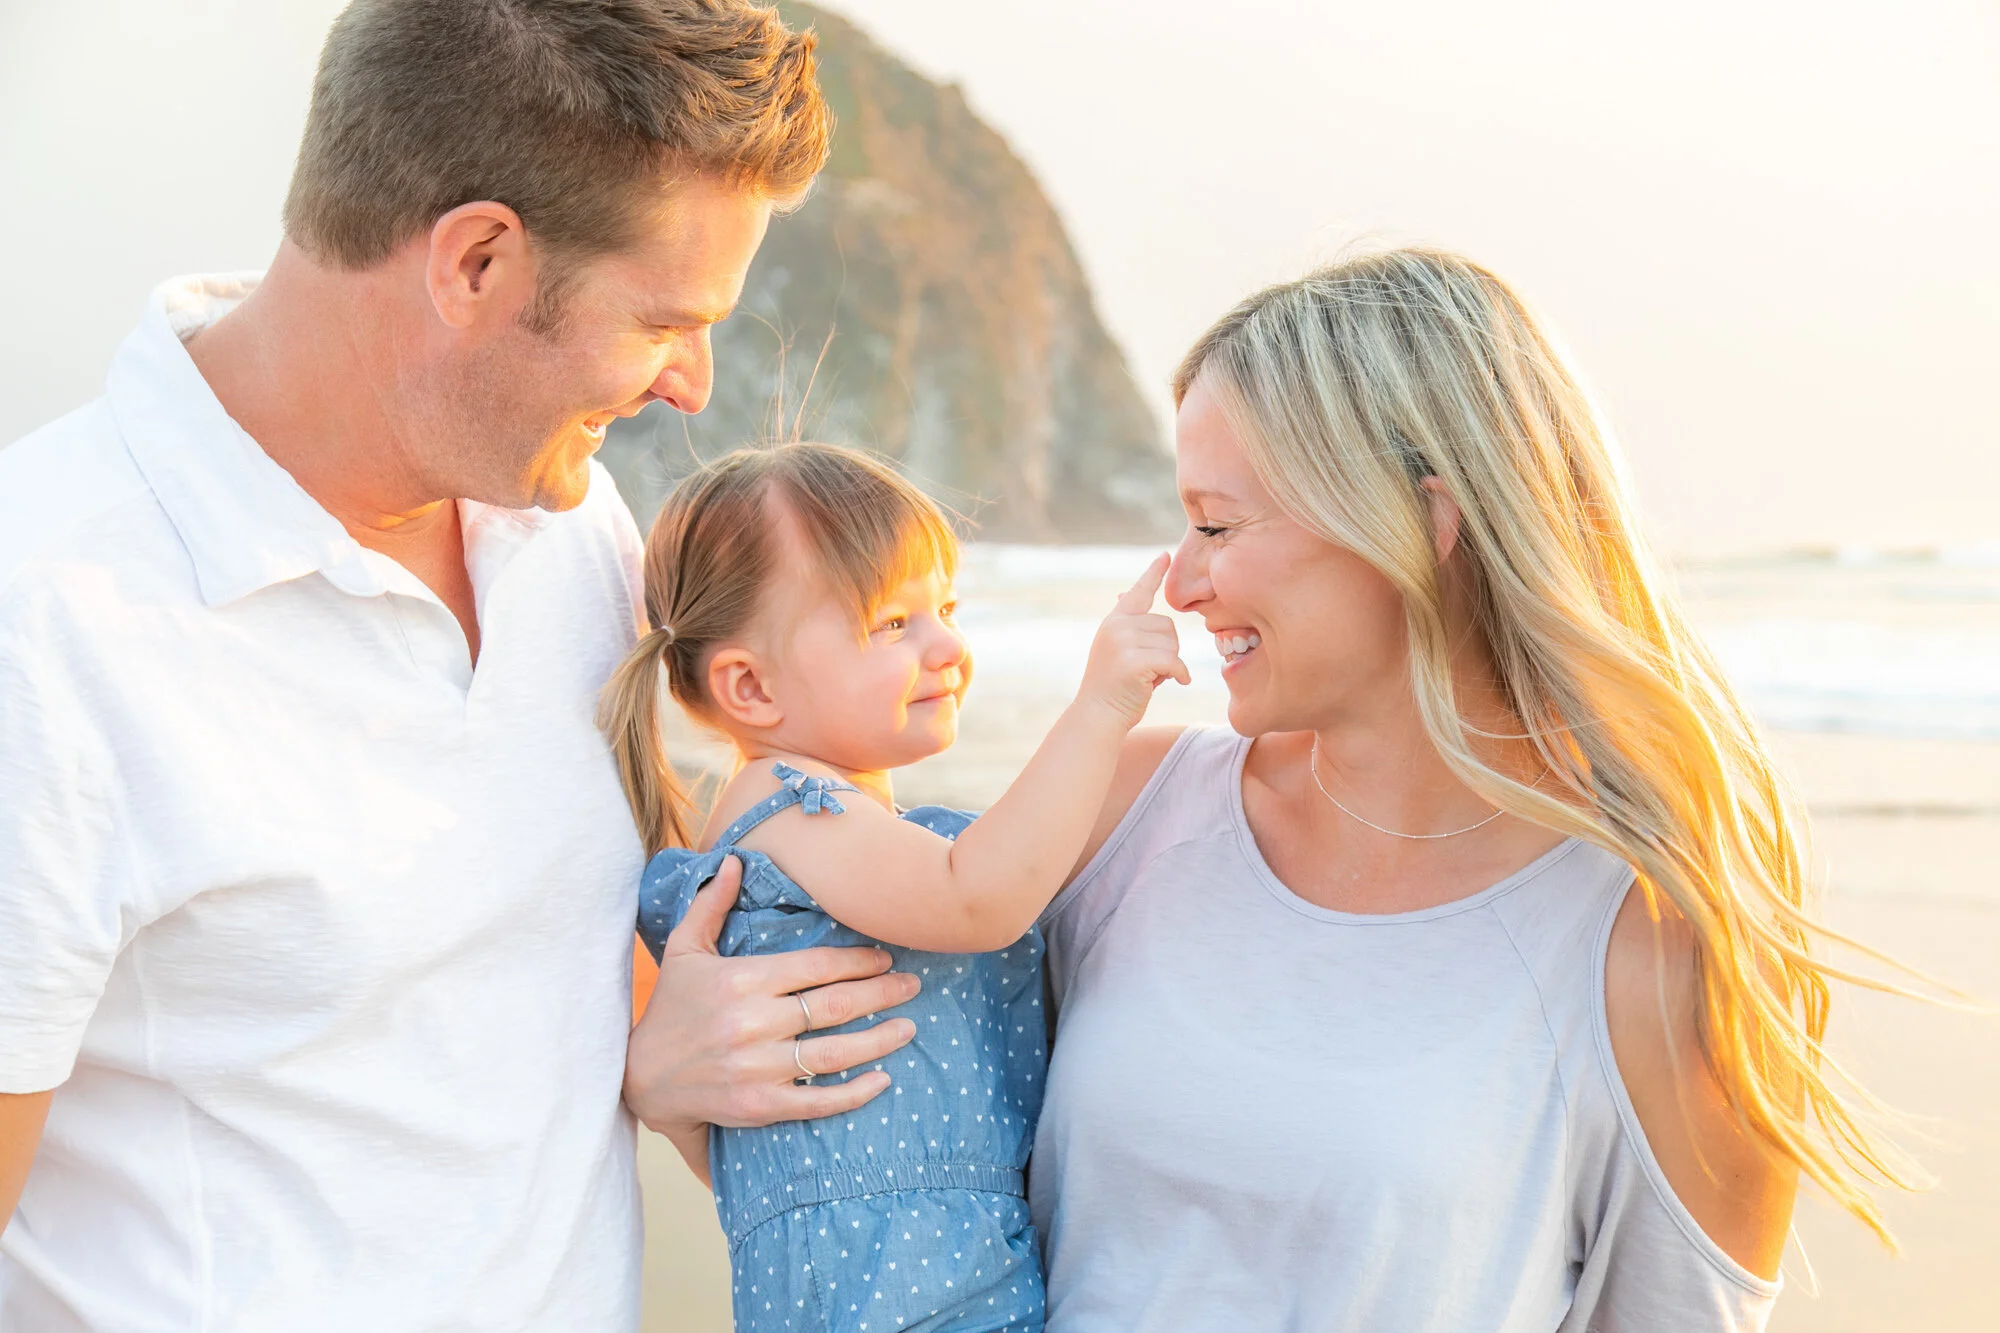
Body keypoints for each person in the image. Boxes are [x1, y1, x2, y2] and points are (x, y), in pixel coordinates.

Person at [629, 248, 1920, 1331]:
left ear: (1422, 522)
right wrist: (668, 1079)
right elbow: (890, 1168)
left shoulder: (1651, 946)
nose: (1181, 583)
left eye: (1218, 523)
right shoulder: (1120, 819)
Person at [0, 3, 917, 1328]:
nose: (693, 386)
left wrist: (660, 1055)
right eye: (666, 320)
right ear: (477, 262)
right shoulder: (44, 614)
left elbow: (573, 937)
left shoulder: (570, 530)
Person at [598, 442, 1185, 1332]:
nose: (948, 644)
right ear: (750, 687)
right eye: (892, 624)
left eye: (944, 607)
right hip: (894, 1292)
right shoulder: (783, 805)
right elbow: (976, 899)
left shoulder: (850, 842)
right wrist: (1100, 707)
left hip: (931, 1269)